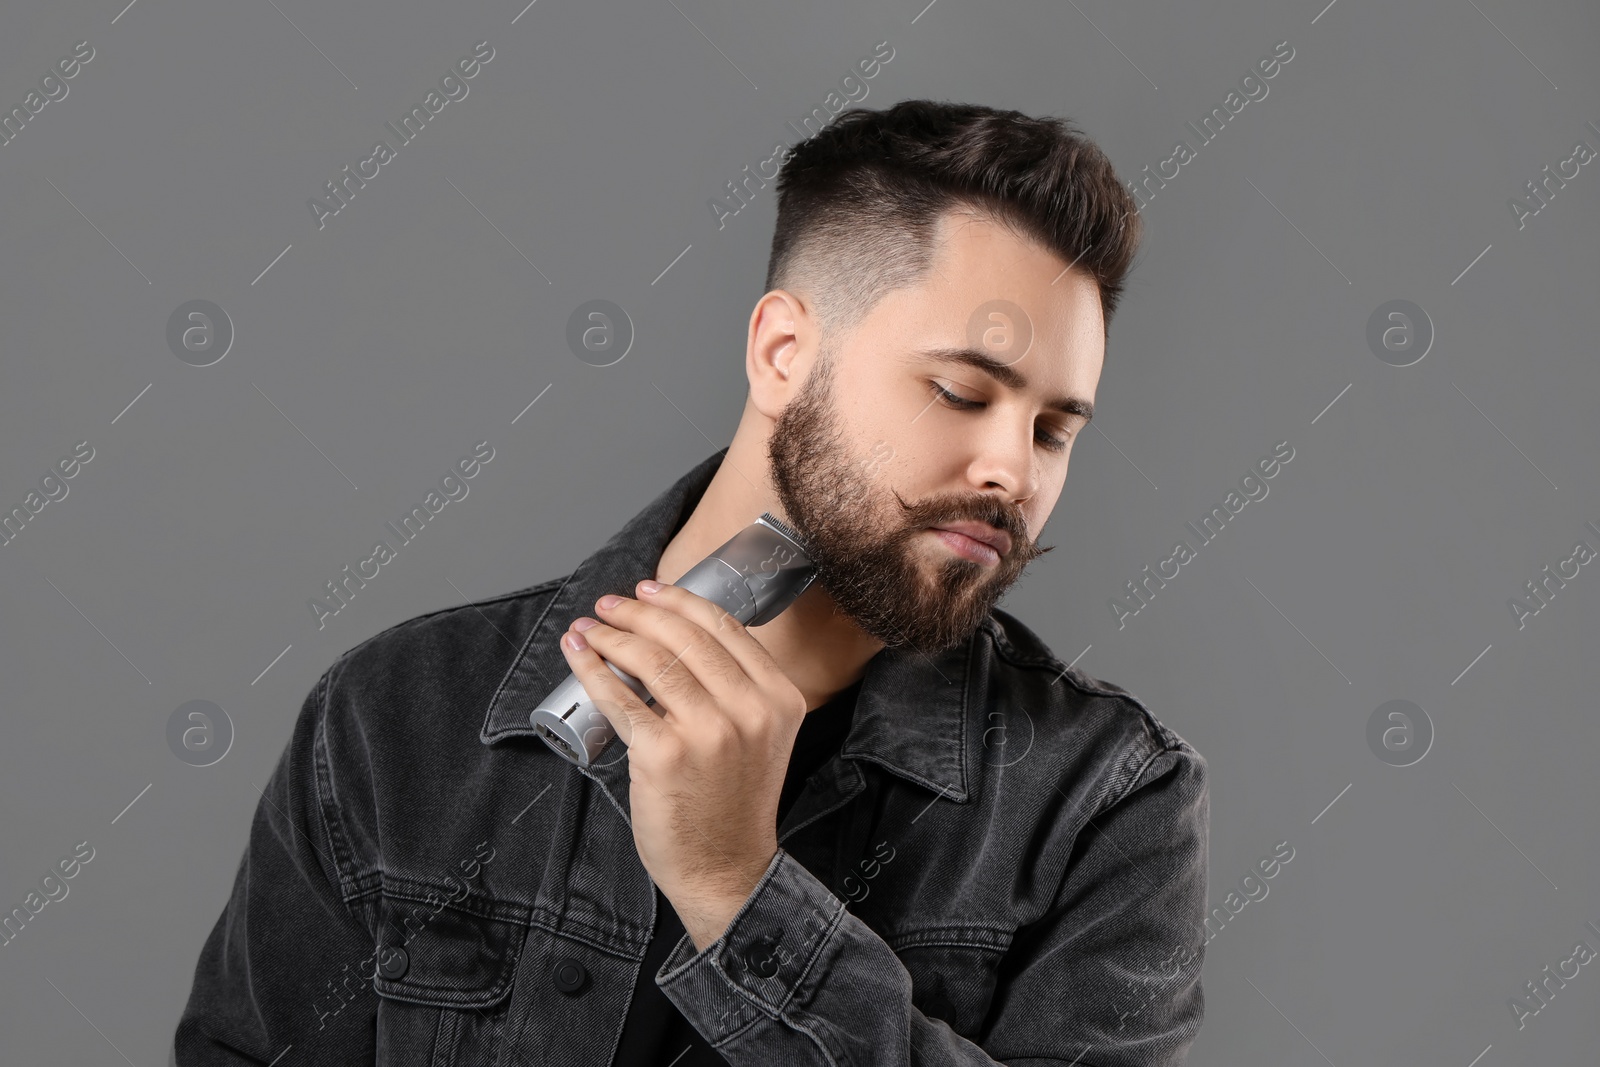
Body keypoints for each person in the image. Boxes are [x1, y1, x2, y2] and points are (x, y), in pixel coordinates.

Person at [176, 98, 1209, 1066]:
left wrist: (737, 891)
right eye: (959, 390)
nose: (1012, 473)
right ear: (783, 352)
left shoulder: (1105, 801)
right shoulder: (396, 716)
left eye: (1053, 429)